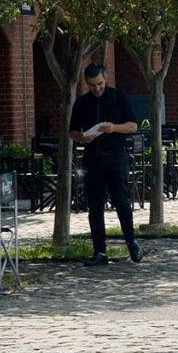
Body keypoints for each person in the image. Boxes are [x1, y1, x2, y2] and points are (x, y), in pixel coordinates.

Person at [68, 63, 141, 267]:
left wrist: (114, 128)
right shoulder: (82, 103)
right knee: (95, 205)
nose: (97, 88)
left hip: (116, 155)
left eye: (99, 83)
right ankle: (99, 251)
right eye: (92, 85)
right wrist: (82, 137)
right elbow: (71, 131)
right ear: (86, 84)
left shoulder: (118, 97)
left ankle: (131, 241)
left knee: (121, 200)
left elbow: (133, 125)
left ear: (105, 78)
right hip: (93, 157)